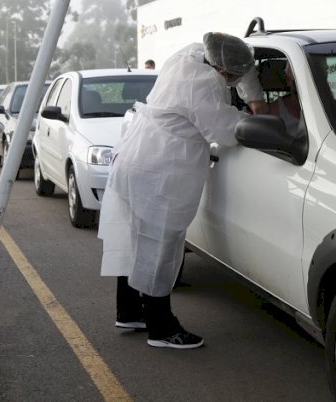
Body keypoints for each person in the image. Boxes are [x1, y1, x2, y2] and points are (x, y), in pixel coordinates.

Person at [99, 32, 263, 349]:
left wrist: (250, 91)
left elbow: (242, 69)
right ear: (224, 71)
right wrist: (255, 112)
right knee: (160, 247)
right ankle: (162, 328)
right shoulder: (203, 85)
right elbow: (225, 131)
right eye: (231, 79)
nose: (232, 83)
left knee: (136, 240)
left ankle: (130, 311)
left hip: (135, 155)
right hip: (161, 168)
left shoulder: (189, 54)